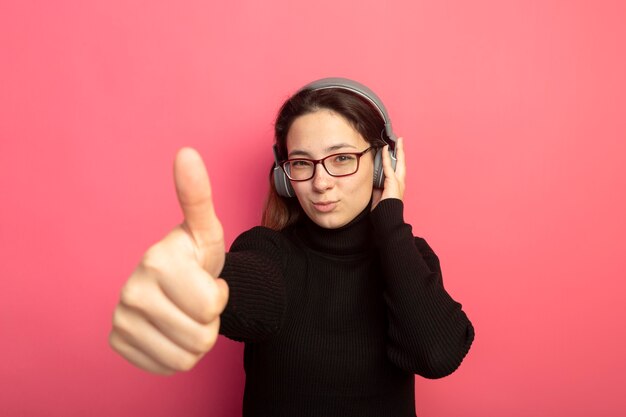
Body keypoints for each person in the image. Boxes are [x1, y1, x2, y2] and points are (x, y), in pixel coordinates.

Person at [109, 78, 475, 417]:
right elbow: (250, 285)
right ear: (285, 177)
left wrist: (390, 217)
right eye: (302, 163)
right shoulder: (270, 251)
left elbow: (436, 354)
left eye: (342, 158)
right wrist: (199, 279)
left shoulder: (408, 258)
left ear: (383, 163)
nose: (320, 183)